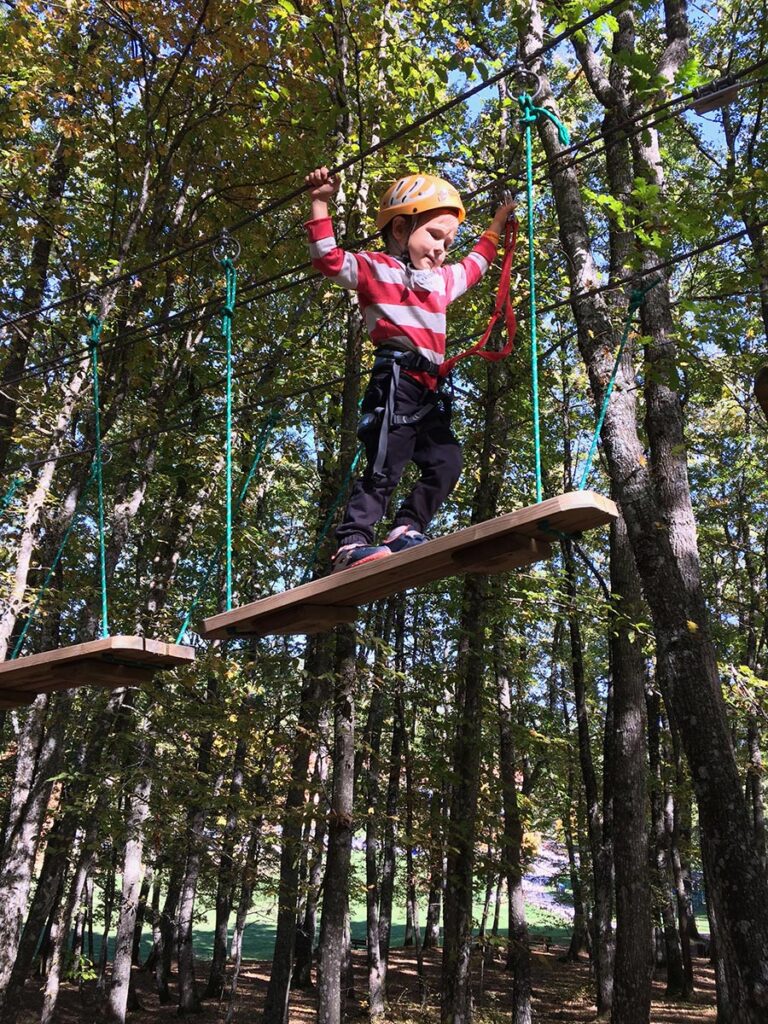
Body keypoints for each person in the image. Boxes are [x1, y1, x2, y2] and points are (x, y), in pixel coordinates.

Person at [305, 166, 516, 571]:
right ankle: (352, 541)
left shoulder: (440, 281)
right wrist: (320, 201)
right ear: (400, 230)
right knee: (386, 464)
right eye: (434, 236)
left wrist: (497, 222)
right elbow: (328, 260)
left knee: (447, 461)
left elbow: (477, 263)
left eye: (448, 242)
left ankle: (406, 527)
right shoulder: (374, 269)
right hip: (397, 379)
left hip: (429, 389)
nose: (441, 249)